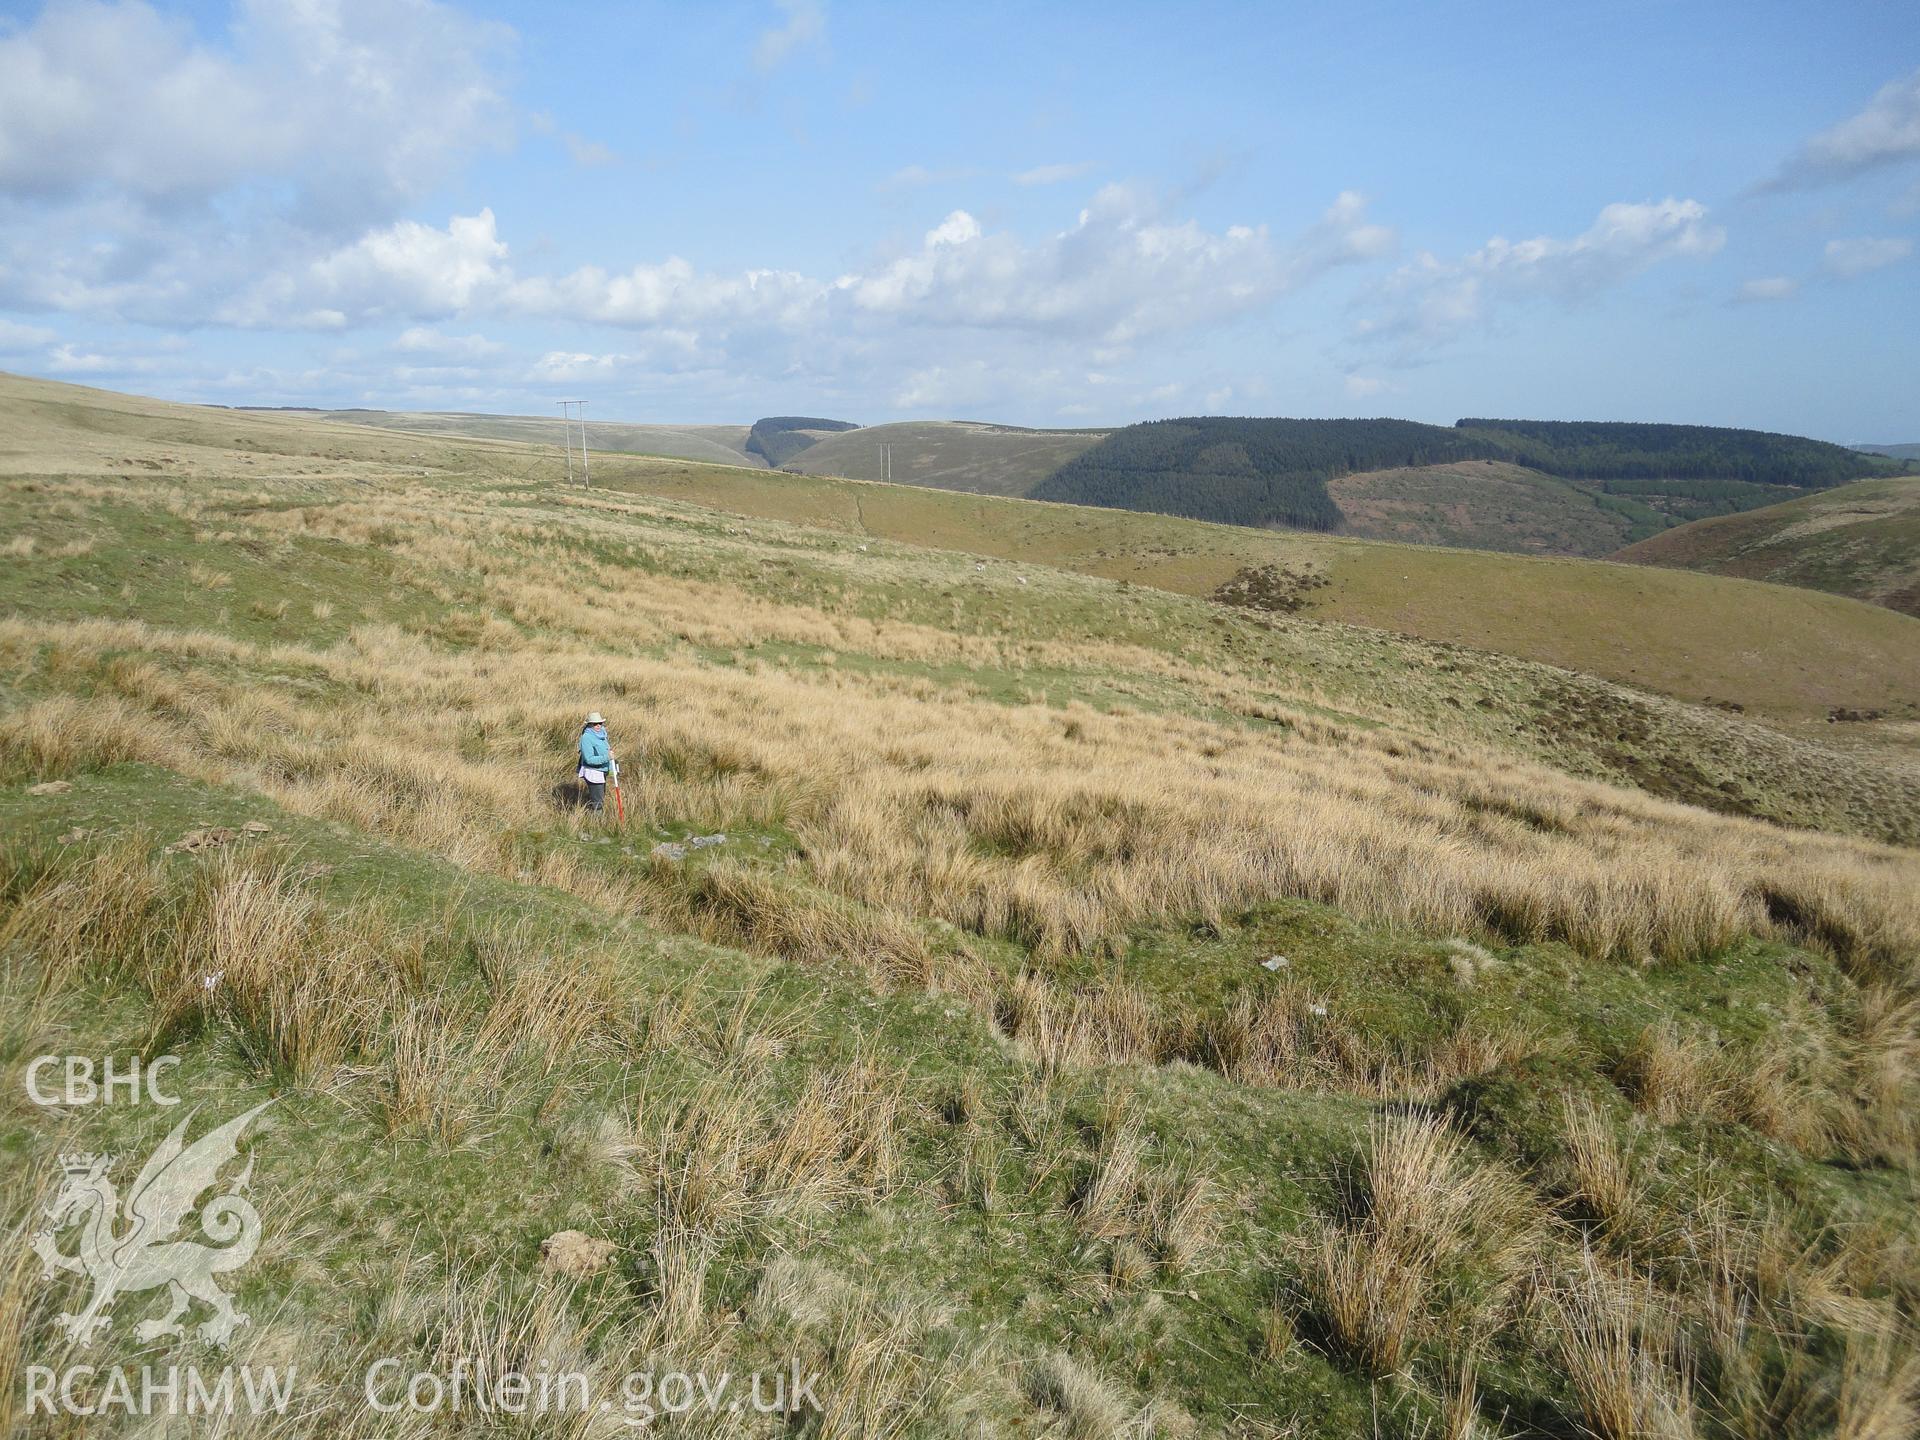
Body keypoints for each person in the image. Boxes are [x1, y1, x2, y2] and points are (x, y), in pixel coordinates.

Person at [578, 711, 614, 812]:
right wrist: (607, 757)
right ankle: (597, 824)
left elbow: (606, 750)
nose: (598, 725)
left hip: (602, 771)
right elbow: (588, 759)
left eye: (600, 723)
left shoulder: (602, 734)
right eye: (595, 724)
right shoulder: (586, 738)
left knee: (600, 798)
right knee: (598, 802)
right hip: (593, 772)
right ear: (589, 724)